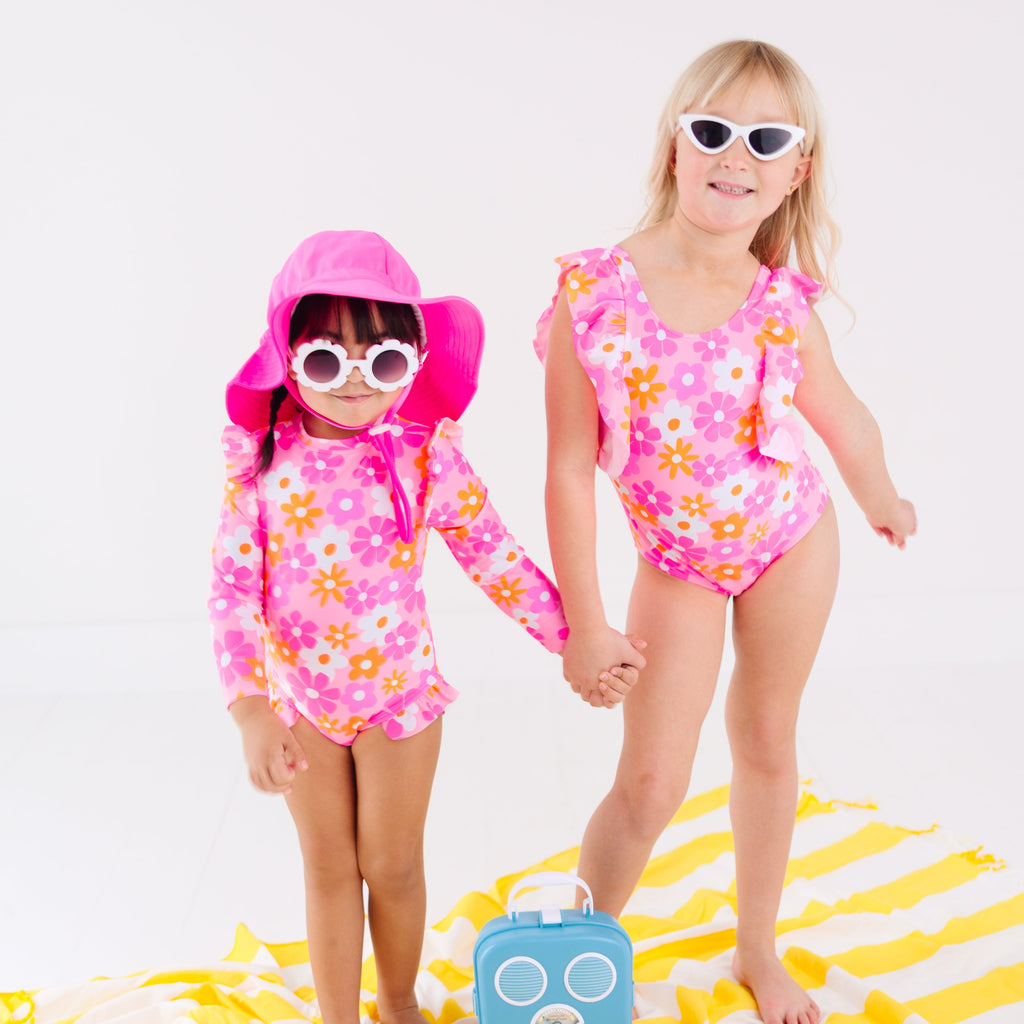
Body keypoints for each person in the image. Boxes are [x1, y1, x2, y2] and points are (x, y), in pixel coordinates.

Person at [536, 40, 916, 1024]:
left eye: (764, 139)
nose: (731, 155)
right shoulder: (593, 298)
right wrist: (583, 620)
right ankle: (576, 947)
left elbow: (843, 416)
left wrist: (879, 492)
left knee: (764, 736)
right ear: (674, 147)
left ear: (795, 170)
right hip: (678, 562)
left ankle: (757, 948)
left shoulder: (783, 306)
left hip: (791, 537)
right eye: (710, 130)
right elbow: (568, 470)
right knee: (652, 777)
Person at [210, 231, 638, 1024]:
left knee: (393, 864)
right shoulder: (262, 466)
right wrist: (252, 711)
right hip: (301, 703)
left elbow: (493, 555)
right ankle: (340, 1016)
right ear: (286, 357)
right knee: (329, 868)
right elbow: (232, 592)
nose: (355, 384)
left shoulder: (424, 457)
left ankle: (399, 1002)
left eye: (383, 361)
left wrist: (576, 635)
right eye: (326, 359)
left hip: (398, 695)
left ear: (413, 358)